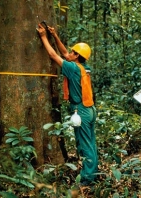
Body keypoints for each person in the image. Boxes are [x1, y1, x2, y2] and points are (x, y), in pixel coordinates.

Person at [36, 24, 98, 186]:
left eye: (73, 52)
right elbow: (64, 53)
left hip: (81, 111)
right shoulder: (84, 67)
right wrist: (55, 35)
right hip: (90, 109)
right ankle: (92, 172)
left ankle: (87, 179)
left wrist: (43, 37)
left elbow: (53, 55)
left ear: (77, 56)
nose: (69, 54)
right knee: (90, 142)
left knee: (84, 145)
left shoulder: (72, 68)